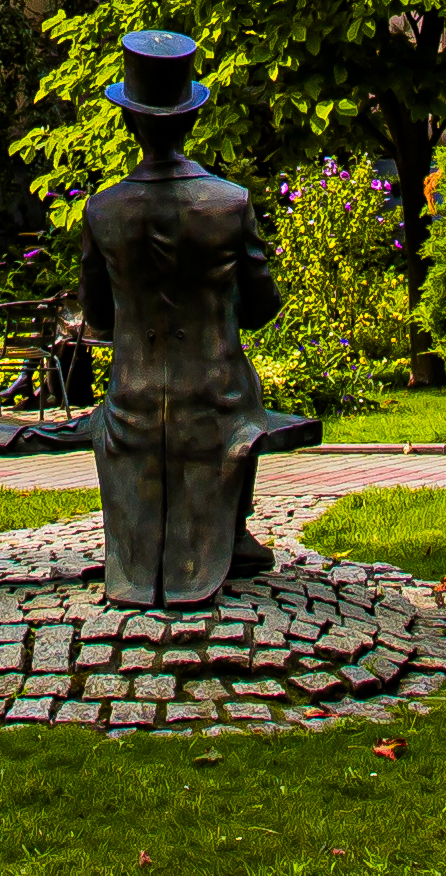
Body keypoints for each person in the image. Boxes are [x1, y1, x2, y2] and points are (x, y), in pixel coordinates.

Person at [74, 31, 316, 609]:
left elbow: (99, 319)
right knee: (243, 388)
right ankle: (235, 532)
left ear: (131, 122)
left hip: (131, 405)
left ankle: (187, 543)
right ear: (191, 121)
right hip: (215, 401)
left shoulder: (103, 208)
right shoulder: (230, 204)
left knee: (154, 402)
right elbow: (261, 310)